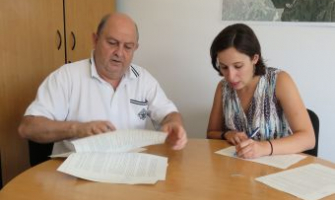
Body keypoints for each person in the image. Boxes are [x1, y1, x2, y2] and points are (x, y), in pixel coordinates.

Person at [18, 13, 187, 154]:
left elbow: (169, 114)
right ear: (95, 40)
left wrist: (174, 124)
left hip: (129, 170)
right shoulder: (67, 76)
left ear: (136, 48)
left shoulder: (143, 78)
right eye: (112, 43)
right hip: (75, 174)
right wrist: (77, 129)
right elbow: (28, 128)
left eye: (128, 47)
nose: (119, 53)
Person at [207, 23, 315, 159]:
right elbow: (211, 133)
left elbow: (308, 139)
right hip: (238, 169)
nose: (230, 76)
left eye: (238, 66)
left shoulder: (279, 81)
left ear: (254, 59)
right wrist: (226, 134)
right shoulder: (223, 88)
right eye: (223, 67)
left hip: (278, 170)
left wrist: (263, 148)